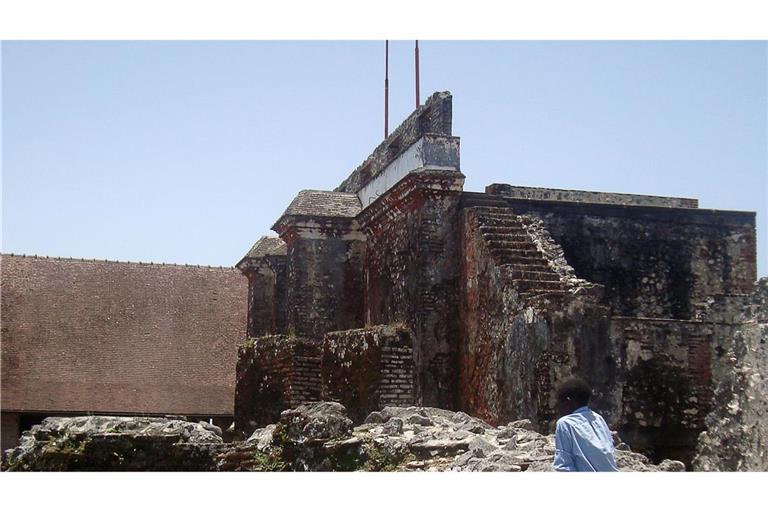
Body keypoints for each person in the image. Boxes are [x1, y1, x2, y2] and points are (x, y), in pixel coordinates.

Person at [552, 376, 618, 472]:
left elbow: (563, 465)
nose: (558, 408)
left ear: (568, 401)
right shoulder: (598, 418)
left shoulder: (565, 423)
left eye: (559, 403)